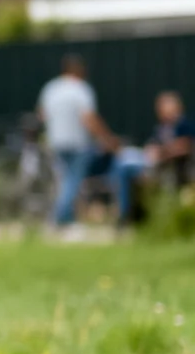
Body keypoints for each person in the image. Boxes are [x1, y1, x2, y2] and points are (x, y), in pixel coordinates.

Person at [37, 55, 117, 229]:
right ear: (79, 70)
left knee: (62, 180)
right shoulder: (81, 89)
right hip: (77, 142)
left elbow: (42, 114)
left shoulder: (51, 88)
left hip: (55, 142)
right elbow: (88, 119)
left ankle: (68, 217)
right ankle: (59, 218)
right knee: (73, 180)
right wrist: (106, 138)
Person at [113, 90, 195, 225]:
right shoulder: (161, 128)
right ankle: (127, 215)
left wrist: (162, 152)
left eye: (163, 107)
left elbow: (185, 146)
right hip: (153, 165)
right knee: (122, 165)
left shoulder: (185, 125)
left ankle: (128, 216)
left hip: (171, 169)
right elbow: (152, 145)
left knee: (127, 170)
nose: (161, 112)